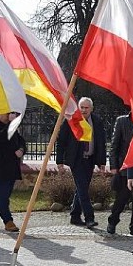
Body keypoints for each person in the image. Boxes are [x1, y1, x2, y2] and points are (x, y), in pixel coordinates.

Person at [56, 97, 107, 229]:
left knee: (81, 189)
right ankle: (89, 218)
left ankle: (75, 216)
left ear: (91, 109)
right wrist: (59, 161)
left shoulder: (97, 121)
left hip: (90, 160)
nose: (84, 110)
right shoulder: (71, 120)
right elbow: (61, 141)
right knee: (83, 189)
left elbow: (101, 142)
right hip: (76, 160)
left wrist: (101, 162)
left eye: (86, 108)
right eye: (82, 107)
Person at [106, 113, 133, 236]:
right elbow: (114, 145)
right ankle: (113, 221)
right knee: (121, 198)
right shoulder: (122, 121)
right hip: (124, 167)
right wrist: (114, 166)